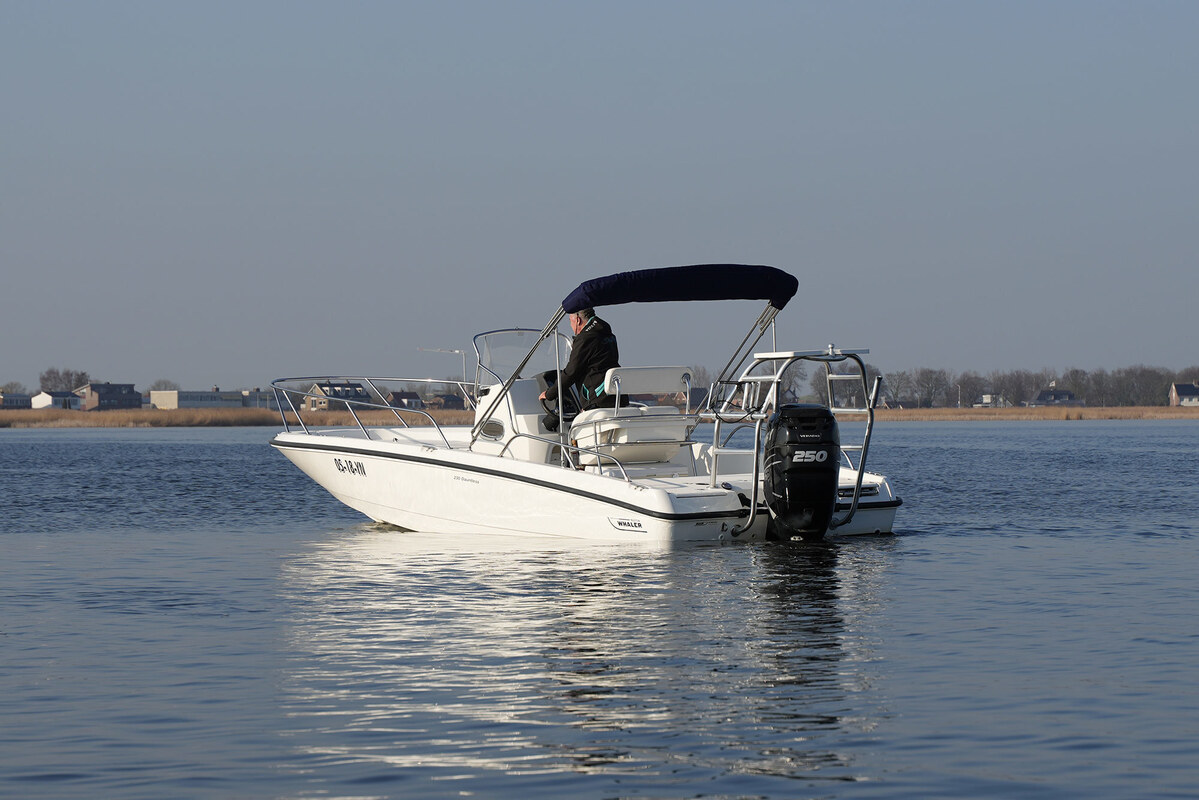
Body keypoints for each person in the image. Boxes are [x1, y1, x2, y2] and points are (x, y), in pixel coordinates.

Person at [539, 307, 619, 430]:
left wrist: (550, 393)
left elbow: (571, 372)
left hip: (598, 401)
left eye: (570, 321)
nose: (571, 325)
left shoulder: (585, 338)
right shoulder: (606, 334)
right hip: (616, 397)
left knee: (574, 434)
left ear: (577, 320)